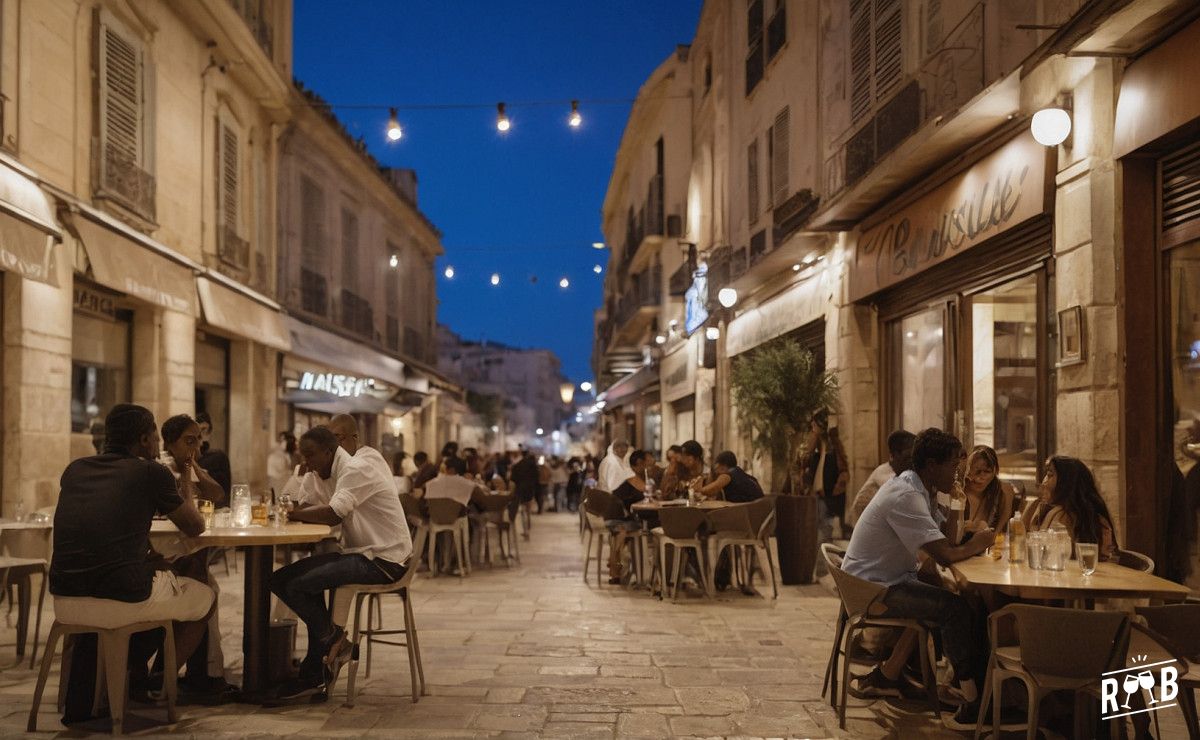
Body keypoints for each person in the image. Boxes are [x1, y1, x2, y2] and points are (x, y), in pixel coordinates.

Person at [51, 404, 215, 723]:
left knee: (162, 572)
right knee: (204, 594)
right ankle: (159, 685)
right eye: (155, 436)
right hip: (121, 597)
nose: (157, 444)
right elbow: (195, 526)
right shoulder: (151, 471)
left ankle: (123, 680)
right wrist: (182, 474)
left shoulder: (75, 469)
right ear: (144, 439)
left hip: (65, 598)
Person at [841, 428, 994, 729]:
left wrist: (957, 502)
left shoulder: (922, 487)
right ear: (932, 465)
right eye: (953, 464)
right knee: (955, 608)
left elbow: (946, 539)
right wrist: (980, 542)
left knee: (949, 594)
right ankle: (974, 700)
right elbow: (946, 555)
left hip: (885, 578)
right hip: (873, 588)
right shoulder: (907, 494)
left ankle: (889, 676)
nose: (958, 472)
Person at [269, 426, 413, 702]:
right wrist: (296, 498)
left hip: (385, 560)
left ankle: (322, 661)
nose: (306, 462)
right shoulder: (326, 474)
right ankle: (329, 651)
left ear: (329, 451)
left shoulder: (355, 469)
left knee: (299, 584)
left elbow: (333, 514)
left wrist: (293, 513)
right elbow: (302, 501)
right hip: (362, 554)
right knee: (279, 580)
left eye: (310, 456)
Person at [158, 414, 234, 699]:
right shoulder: (162, 471)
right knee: (205, 584)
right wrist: (189, 478)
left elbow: (218, 494)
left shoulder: (190, 467)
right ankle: (202, 676)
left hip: (180, 554)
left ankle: (204, 674)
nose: (196, 447)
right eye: (189, 441)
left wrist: (197, 471)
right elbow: (190, 519)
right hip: (162, 556)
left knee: (205, 580)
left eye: (199, 441)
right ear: (168, 444)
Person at [1023, 455, 1118, 560]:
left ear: (1066, 483)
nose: (1044, 482)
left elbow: (1045, 556)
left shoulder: (1068, 516)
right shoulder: (1052, 510)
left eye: (1050, 475)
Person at [850, 430, 916, 524]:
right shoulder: (884, 472)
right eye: (908, 456)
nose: (912, 460)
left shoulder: (900, 472)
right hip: (864, 517)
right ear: (895, 454)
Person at [801, 413, 849, 540]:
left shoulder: (834, 445)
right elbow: (803, 460)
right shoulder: (814, 443)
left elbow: (843, 467)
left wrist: (839, 487)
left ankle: (822, 555)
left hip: (829, 494)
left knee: (825, 527)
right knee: (818, 527)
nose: (813, 427)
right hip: (815, 493)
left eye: (815, 425)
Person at [605, 449, 650, 583]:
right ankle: (616, 567)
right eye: (648, 462)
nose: (650, 465)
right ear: (640, 463)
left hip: (617, 516)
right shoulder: (630, 475)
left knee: (621, 534)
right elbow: (647, 490)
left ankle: (614, 569)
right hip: (619, 517)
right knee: (623, 532)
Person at [956, 445, 1016, 537]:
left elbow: (998, 534)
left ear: (995, 471)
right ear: (967, 470)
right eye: (977, 471)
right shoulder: (959, 490)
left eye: (987, 471)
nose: (981, 478)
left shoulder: (1002, 490)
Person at [695, 451, 764, 502]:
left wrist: (697, 489)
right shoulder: (746, 476)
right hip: (762, 516)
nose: (716, 471)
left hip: (746, 516)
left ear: (721, 465)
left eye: (716, 467)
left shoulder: (727, 476)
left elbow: (709, 490)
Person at [195, 412, 232, 501]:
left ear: (210, 431)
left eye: (204, 429)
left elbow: (224, 491)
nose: (201, 433)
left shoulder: (218, 457)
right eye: (198, 430)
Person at [510, 449, 539, 536]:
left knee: (522, 509)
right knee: (528, 508)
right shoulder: (533, 465)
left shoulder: (517, 465)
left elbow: (513, 479)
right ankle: (528, 525)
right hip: (530, 489)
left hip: (520, 490)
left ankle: (525, 528)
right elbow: (537, 477)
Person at [268, 431, 297, 497]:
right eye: (281, 440)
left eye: (284, 440)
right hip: (277, 481)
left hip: (288, 483)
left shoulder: (293, 455)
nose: (282, 442)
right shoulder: (276, 453)